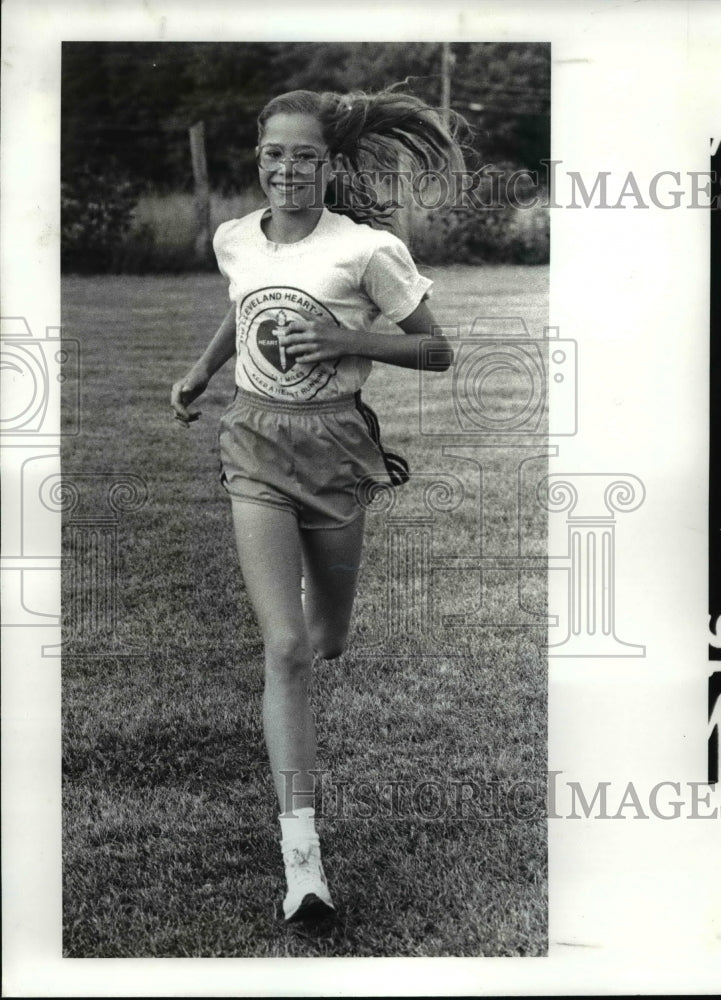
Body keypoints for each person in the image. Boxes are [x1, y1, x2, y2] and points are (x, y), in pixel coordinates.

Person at [170, 88, 465, 923]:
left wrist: (346, 340)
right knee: (288, 649)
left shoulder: (368, 250)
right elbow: (241, 311)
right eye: (273, 155)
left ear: (329, 165)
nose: (287, 169)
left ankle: (305, 614)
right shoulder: (234, 238)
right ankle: (303, 866)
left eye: (304, 156)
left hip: (336, 449)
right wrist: (201, 372)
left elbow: (437, 349)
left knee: (327, 638)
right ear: (257, 159)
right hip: (255, 444)